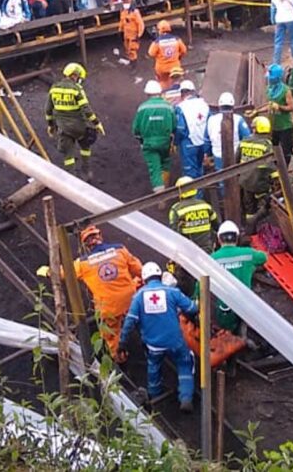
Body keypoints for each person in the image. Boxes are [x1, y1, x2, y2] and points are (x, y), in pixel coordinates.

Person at [119, 261, 198, 412]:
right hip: (175, 342)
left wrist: (122, 342)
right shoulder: (172, 292)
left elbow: (129, 322)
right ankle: (186, 398)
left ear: (144, 279)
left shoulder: (138, 297)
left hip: (153, 345)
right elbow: (192, 308)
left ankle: (155, 396)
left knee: (153, 366)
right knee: (185, 363)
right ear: (160, 276)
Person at [70, 225, 142, 363]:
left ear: (86, 244)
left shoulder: (83, 263)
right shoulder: (120, 249)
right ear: (100, 236)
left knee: (111, 335)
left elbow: (65, 272)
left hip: (108, 308)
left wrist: (48, 271)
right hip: (131, 300)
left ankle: (120, 357)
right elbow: (139, 270)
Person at [205, 221, 267, 332]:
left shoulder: (212, 259)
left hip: (224, 307)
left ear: (219, 239)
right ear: (237, 238)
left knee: (226, 333)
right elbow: (263, 257)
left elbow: (201, 284)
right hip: (246, 304)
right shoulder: (248, 253)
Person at [46, 63, 104, 179]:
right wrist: (97, 123)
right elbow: (86, 109)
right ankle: (86, 172)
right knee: (85, 147)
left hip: (63, 128)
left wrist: (50, 126)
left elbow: (48, 110)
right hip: (79, 126)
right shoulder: (77, 89)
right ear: (74, 75)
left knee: (68, 155)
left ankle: (71, 180)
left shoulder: (54, 88)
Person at [133, 80, 176, 191]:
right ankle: (166, 188)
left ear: (147, 94)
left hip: (149, 144)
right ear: (160, 92)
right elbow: (174, 125)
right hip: (166, 142)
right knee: (165, 165)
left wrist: (141, 140)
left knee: (155, 169)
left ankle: (160, 195)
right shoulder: (168, 107)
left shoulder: (142, 108)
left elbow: (136, 129)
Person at [239, 117, 279, 223]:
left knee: (249, 208)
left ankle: (250, 229)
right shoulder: (267, 144)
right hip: (261, 184)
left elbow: (236, 161)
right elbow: (271, 167)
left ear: (255, 129)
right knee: (265, 206)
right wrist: (277, 180)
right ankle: (264, 225)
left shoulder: (244, 141)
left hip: (245, 182)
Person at [168, 176, 219, 252]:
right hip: (208, 252)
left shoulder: (176, 209)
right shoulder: (206, 206)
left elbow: (174, 234)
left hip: (188, 254)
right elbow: (217, 226)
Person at [206, 92, 251, 172]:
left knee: (221, 177)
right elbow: (247, 137)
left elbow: (206, 140)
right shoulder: (238, 119)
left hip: (217, 155)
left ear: (219, 106)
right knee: (234, 177)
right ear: (233, 106)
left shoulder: (211, 120)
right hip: (235, 156)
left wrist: (208, 154)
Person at [174, 80, 211, 179]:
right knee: (200, 169)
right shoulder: (204, 104)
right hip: (203, 143)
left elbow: (180, 129)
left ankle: (194, 194)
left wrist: (175, 142)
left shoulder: (180, 107)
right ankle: (201, 192)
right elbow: (209, 123)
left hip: (188, 143)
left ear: (182, 93)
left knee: (190, 174)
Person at [265, 63, 293, 158]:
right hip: (273, 126)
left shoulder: (286, 90)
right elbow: (269, 105)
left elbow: (292, 107)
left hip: (285, 126)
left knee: (285, 151)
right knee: (272, 150)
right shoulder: (269, 89)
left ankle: (285, 170)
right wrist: (256, 112)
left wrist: (279, 107)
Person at [148, 20, 188, 89]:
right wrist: (178, 56)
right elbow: (184, 51)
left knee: (163, 84)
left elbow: (151, 53)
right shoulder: (177, 39)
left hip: (161, 68)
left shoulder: (157, 41)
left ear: (159, 30)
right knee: (175, 83)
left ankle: (165, 96)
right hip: (175, 67)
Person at [119, 0, 145, 66]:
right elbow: (122, 22)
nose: (125, 1)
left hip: (133, 35)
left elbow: (141, 24)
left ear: (130, 0)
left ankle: (134, 66)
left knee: (132, 50)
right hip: (126, 34)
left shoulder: (135, 12)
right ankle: (131, 63)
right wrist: (120, 31)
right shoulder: (123, 11)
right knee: (127, 50)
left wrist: (139, 35)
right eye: (124, 0)